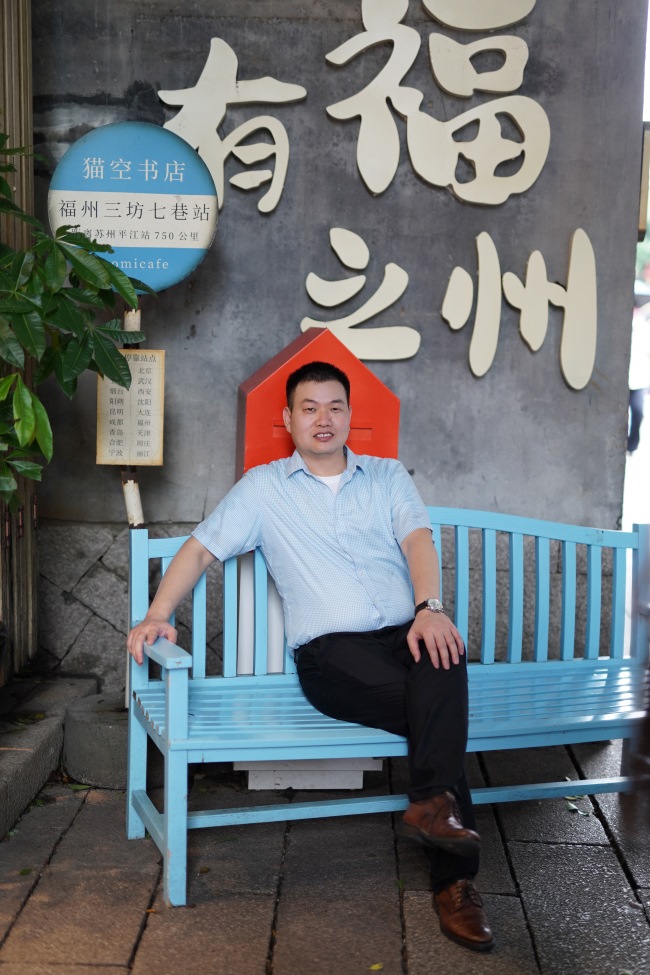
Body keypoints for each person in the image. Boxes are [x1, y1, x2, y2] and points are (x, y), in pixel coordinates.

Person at [127, 360, 494, 952]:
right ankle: (454, 879)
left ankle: (433, 808)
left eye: (335, 407)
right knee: (439, 707)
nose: (324, 419)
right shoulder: (263, 489)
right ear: (288, 417)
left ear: (349, 415)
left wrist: (430, 607)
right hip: (333, 654)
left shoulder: (387, 476)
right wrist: (157, 613)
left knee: (444, 653)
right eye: (309, 408)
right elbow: (199, 551)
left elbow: (417, 540)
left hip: (405, 633)